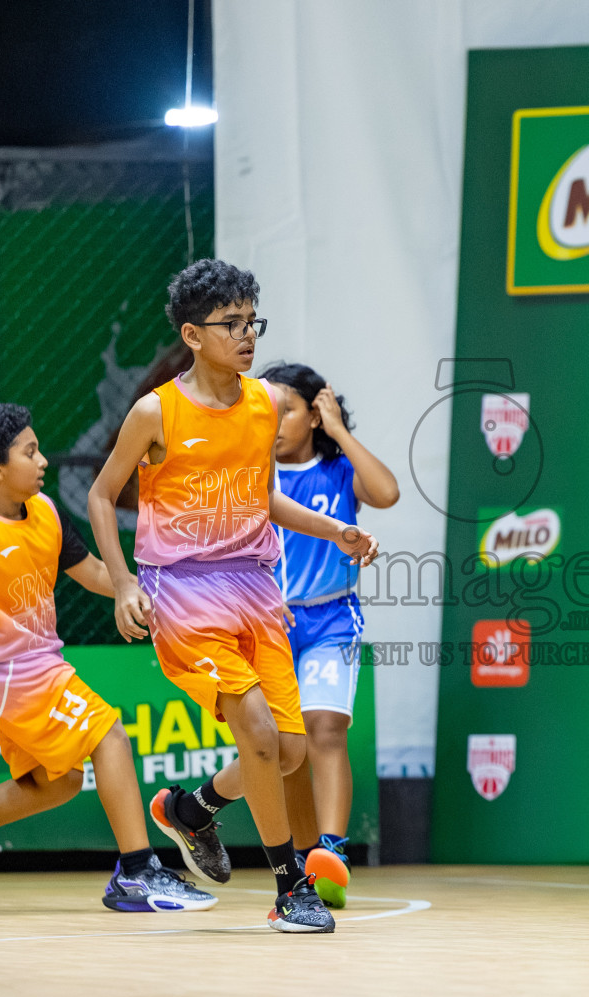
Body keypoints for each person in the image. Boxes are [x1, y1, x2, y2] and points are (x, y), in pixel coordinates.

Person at [87, 259, 378, 934]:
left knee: (290, 751)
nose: (248, 335)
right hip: (182, 592)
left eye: (253, 321)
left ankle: (192, 811)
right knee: (254, 728)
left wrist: (334, 528)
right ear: (192, 334)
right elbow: (103, 495)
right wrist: (124, 582)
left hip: (254, 588)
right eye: (231, 323)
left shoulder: (265, 404)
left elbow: (261, 497)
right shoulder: (154, 411)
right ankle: (290, 887)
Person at [0, 402, 214, 913]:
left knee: (58, 782)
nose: (43, 461)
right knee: (109, 734)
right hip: (1, 670)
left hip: (38, 660)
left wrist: (142, 589)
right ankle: (137, 872)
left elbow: (96, 576)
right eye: (30, 451)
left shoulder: (46, 513)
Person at [260, 362, 400, 909]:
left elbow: (386, 493)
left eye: (288, 410)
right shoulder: (253, 473)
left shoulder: (338, 469)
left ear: (315, 413)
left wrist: (340, 431)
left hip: (330, 619)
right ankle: (303, 865)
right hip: (268, 624)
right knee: (285, 750)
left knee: (324, 729)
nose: (275, 421)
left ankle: (333, 852)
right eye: (268, 410)